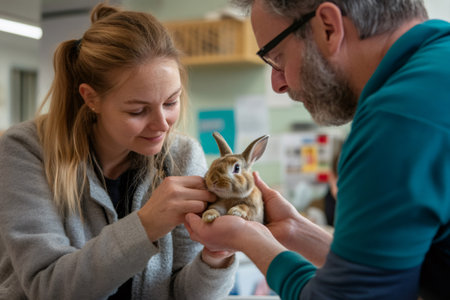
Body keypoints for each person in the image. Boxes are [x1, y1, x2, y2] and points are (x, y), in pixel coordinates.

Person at [184, 0, 450, 299]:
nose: (277, 84)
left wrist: (250, 239)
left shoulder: (397, 120)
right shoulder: (437, 70)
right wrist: (297, 233)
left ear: (328, 28)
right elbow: (391, 276)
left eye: (277, 59)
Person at [0, 3, 237, 299]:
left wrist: (215, 258)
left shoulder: (183, 155)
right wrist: (146, 225)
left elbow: (184, 292)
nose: (162, 125)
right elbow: (48, 288)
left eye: (171, 102)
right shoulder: (26, 149)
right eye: (138, 110)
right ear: (91, 98)